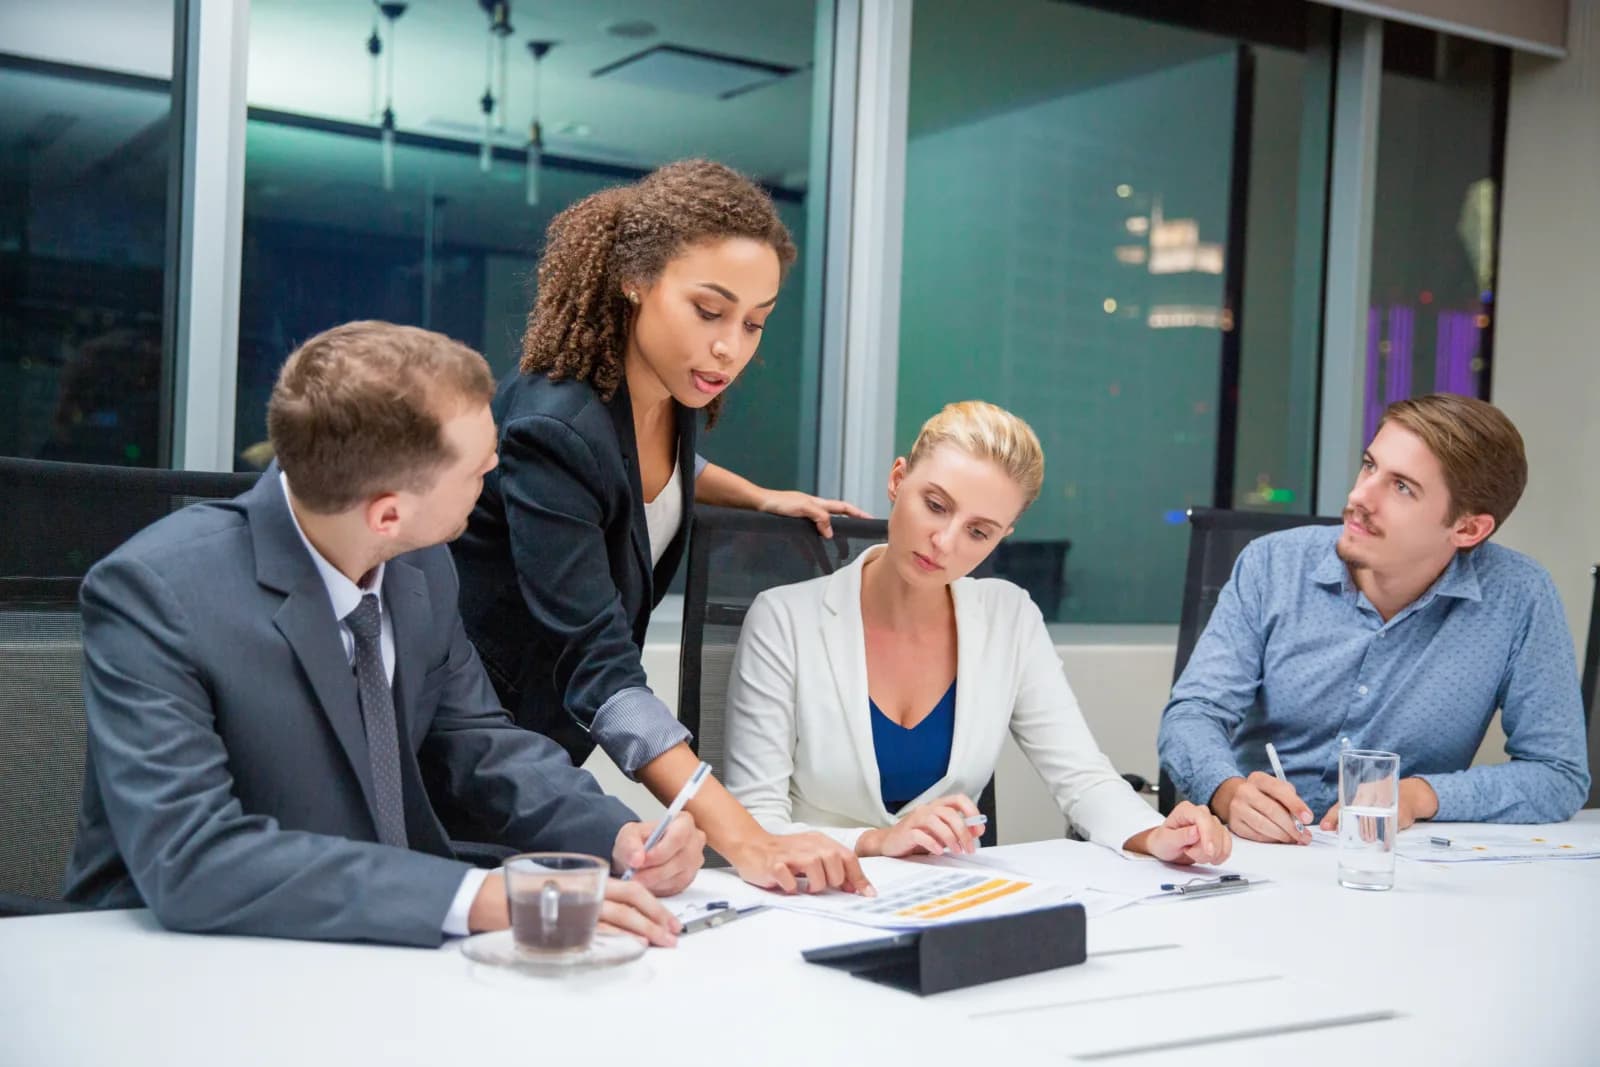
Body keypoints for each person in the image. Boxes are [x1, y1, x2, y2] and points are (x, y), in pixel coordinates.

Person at [63, 321, 704, 946]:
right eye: (481, 474)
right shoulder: (156, 592)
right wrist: (478, 899)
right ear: (388, 513)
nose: (496, 479)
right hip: (186, 961)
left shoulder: (418, 563)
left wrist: (615, 835)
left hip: (381, 951)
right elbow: (191, 858)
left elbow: (477, 740)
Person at [452, 160, 876, 897]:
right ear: (635, 279)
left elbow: (661, 469)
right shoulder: (555, 429)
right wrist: (748, 838)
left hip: (546, 744)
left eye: (754, 323)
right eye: (709, 311)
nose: (730, 348)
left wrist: (757, 495)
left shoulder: (660, 389)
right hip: (476, 751)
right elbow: (602, 668)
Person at [722, 401, 1231, 865]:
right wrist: (876, 842)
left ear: (1001, 538)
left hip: (951, 904)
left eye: (979, 531)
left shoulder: (1009, 617)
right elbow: (755, 823)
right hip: (812, 903)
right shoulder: (785, 619)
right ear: (898, 479)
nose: (944, 542)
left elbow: (1082, 778)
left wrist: (1155, 834)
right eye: (936, 505)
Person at [1159, 393, 1590, 843]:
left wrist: (1417, 796)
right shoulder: (1273, 565)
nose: (1359, 496)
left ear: (1467, 529)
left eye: (1402, 487)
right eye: (1369, 466)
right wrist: (1228, 793)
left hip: (1396, 866)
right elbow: (1194, 713)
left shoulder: (1519, 596)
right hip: (1257, 853)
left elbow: (1557, 775)